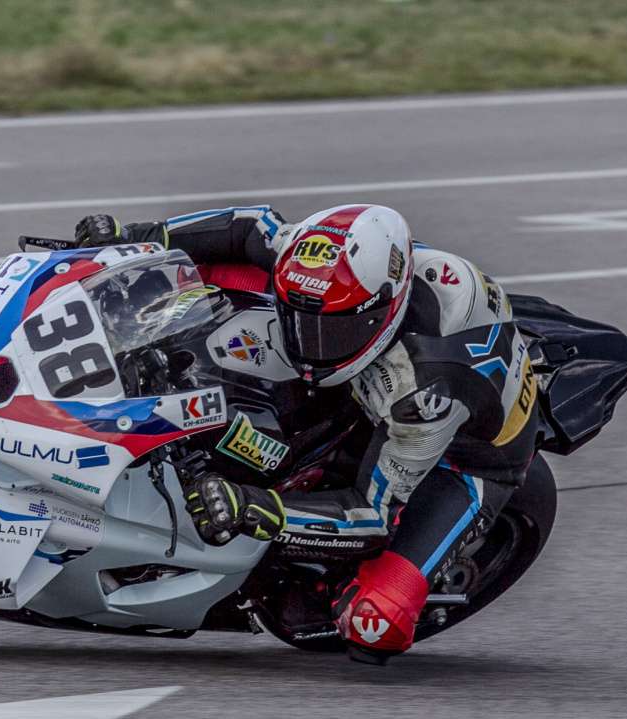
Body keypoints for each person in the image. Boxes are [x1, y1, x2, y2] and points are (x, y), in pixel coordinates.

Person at [74, 206, 538, 664]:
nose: (308, 342)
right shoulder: (315, 256)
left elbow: (370, 516)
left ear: (381, 312)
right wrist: (132, 236)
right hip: (366, 379)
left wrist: (256, 506)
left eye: (332, 330)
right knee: (214, 278)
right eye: (299, 320)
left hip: (463, 457)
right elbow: (249, 228)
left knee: (375, 621)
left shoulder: (424, 394)